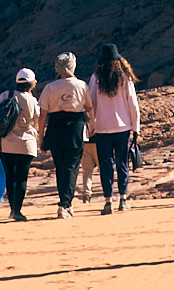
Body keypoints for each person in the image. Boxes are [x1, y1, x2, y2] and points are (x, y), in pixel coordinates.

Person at [88, 43, 141, 215]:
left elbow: (91, 104)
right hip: (123, 127)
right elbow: (133, 103)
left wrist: (91, 126)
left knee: (105, 165)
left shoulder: (96, 78)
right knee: (122, 164)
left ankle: (107, 201)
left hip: (103, 129)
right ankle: (123, 199)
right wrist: (136, 127)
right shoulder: (125, 77)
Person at [38, 52, 91, 219]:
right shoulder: (81, 85)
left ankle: (64, 202)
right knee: (72, 166)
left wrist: (41, 137)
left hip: (55, 128)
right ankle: (65, 204)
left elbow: (43, 115)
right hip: (75, 127)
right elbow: (89, 108)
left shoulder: (50, 87)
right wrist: (93, 127)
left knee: (60, 167)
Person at [0, 67, 44, 221]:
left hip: (5, 142)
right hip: (26, 143)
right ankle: (18, 211)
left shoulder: (6, 95)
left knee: (10, 176)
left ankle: (12, 208)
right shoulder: (32, 100)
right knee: (21, 177)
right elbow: (37, 120)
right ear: (31, 84)